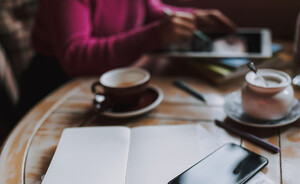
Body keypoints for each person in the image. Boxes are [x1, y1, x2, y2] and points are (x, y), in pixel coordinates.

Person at [18, 0, 236, 114]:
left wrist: (192, 18)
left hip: (115, 78)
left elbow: (150, 9)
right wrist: (157, 34)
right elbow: (76, 56)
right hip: (57, 86)